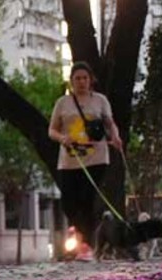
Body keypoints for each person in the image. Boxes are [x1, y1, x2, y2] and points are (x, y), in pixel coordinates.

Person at [48, 62, 124, 255]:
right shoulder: (62, 103)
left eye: (84, 78)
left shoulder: (100, 101)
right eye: (77, 78)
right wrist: (62, 138)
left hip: (96, 158)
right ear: (71, 81)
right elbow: (52, 130)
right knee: (68, 203)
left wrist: (115, 137)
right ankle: (83, 238)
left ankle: (86, 245)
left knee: (87, 200)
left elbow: (110, 123)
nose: (81, 82)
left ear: (90, 80)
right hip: (69, 160)